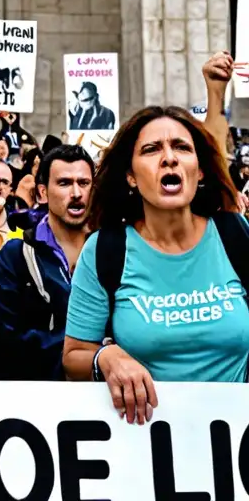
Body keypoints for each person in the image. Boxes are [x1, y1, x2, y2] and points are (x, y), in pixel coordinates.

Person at [63, 106, 249, 425]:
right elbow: (73, 357)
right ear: (131, 176)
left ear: (200, 170)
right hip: (147, 452)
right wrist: (105, 357)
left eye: (181, 147)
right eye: (151, 150)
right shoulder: (106, 250)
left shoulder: (237, 235)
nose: (169, 158)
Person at [0, 145, 93, 380]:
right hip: (35, 402)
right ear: (42, 193)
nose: (76, 192)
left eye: (84, 183)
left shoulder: (112, 252)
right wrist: (83, 352)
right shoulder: (16, 256)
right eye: (64, 183)